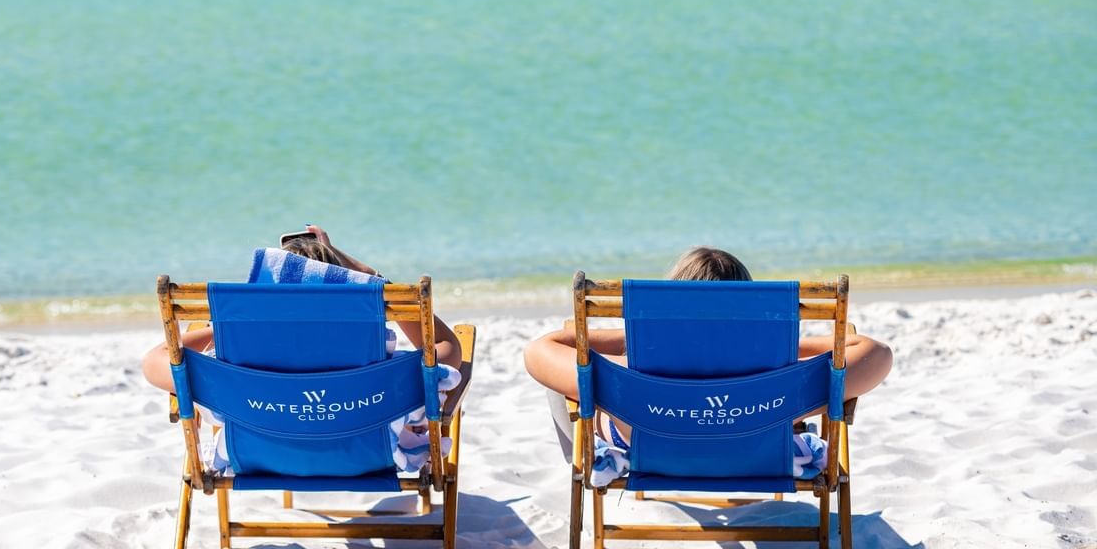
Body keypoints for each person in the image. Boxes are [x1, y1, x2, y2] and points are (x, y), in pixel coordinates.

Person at [523, 246, 892, 460]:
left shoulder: (629, 370)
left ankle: (587, 462)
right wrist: (773, 345)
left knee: (571, 381)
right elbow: (877, 354)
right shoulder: (777, 375)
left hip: (650, 450)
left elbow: (540, 350)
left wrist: (638, 338)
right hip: (750, 452)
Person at [141, 223, 461, 393]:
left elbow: (155, 362)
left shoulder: (236, 378)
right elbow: (447, 350)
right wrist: (372, 280)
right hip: (365, 454)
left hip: (263, 456)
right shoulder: (377, 371)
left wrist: (238, 326)